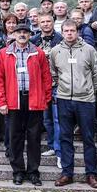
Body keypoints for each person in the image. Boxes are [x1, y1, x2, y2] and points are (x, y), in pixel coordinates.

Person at [0, 24, 52, 186]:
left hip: (34, 100)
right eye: (19, 32)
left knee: (34, 138)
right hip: (13, 100)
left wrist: (46, 99)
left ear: (29, 35)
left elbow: (46, 77)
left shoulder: (38, 53)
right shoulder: (4, 53)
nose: (22, 35)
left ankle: (33, 172)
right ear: (13, 35)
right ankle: (18, 171)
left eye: (25, 32)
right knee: (15, 137)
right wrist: (2, 101)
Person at [50, 20, 97, 188]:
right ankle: (67, 173)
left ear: (77, 31)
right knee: (65, 137)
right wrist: (62, 89)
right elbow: (54, 73)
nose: (69, 33)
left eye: (72, 30)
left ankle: (91, 174)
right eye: (66, 31)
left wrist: (88, 90)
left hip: (85, 101)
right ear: (62, 31)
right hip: (64, 99)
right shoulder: (56, 51)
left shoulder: (88, 50)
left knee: (88, 138)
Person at [32, 12, 63, 163]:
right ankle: (51, 145)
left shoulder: (61, 39)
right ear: (38, 23)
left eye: (48, 21)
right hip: (40, 85)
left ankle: (59, 150)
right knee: (47, 119)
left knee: (58, 118)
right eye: (42, 21)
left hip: (57, 84)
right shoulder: (33, 41)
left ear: (53, 22)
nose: (45, 24)